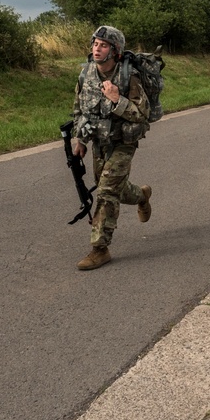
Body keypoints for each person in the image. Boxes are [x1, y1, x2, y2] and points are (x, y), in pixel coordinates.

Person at [70, 25, 153, 270]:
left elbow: (143, 114)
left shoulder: (128, 77)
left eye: (103, 45)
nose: (97, 49)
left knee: (106, 191)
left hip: (123, 143)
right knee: (112, 187)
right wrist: (80, 139)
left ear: (115, 51)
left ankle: (100, 249)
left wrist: (118, 99)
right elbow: (78, 109)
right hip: (99, 141)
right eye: (95, 44)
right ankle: (142, 195)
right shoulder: (86, 74)